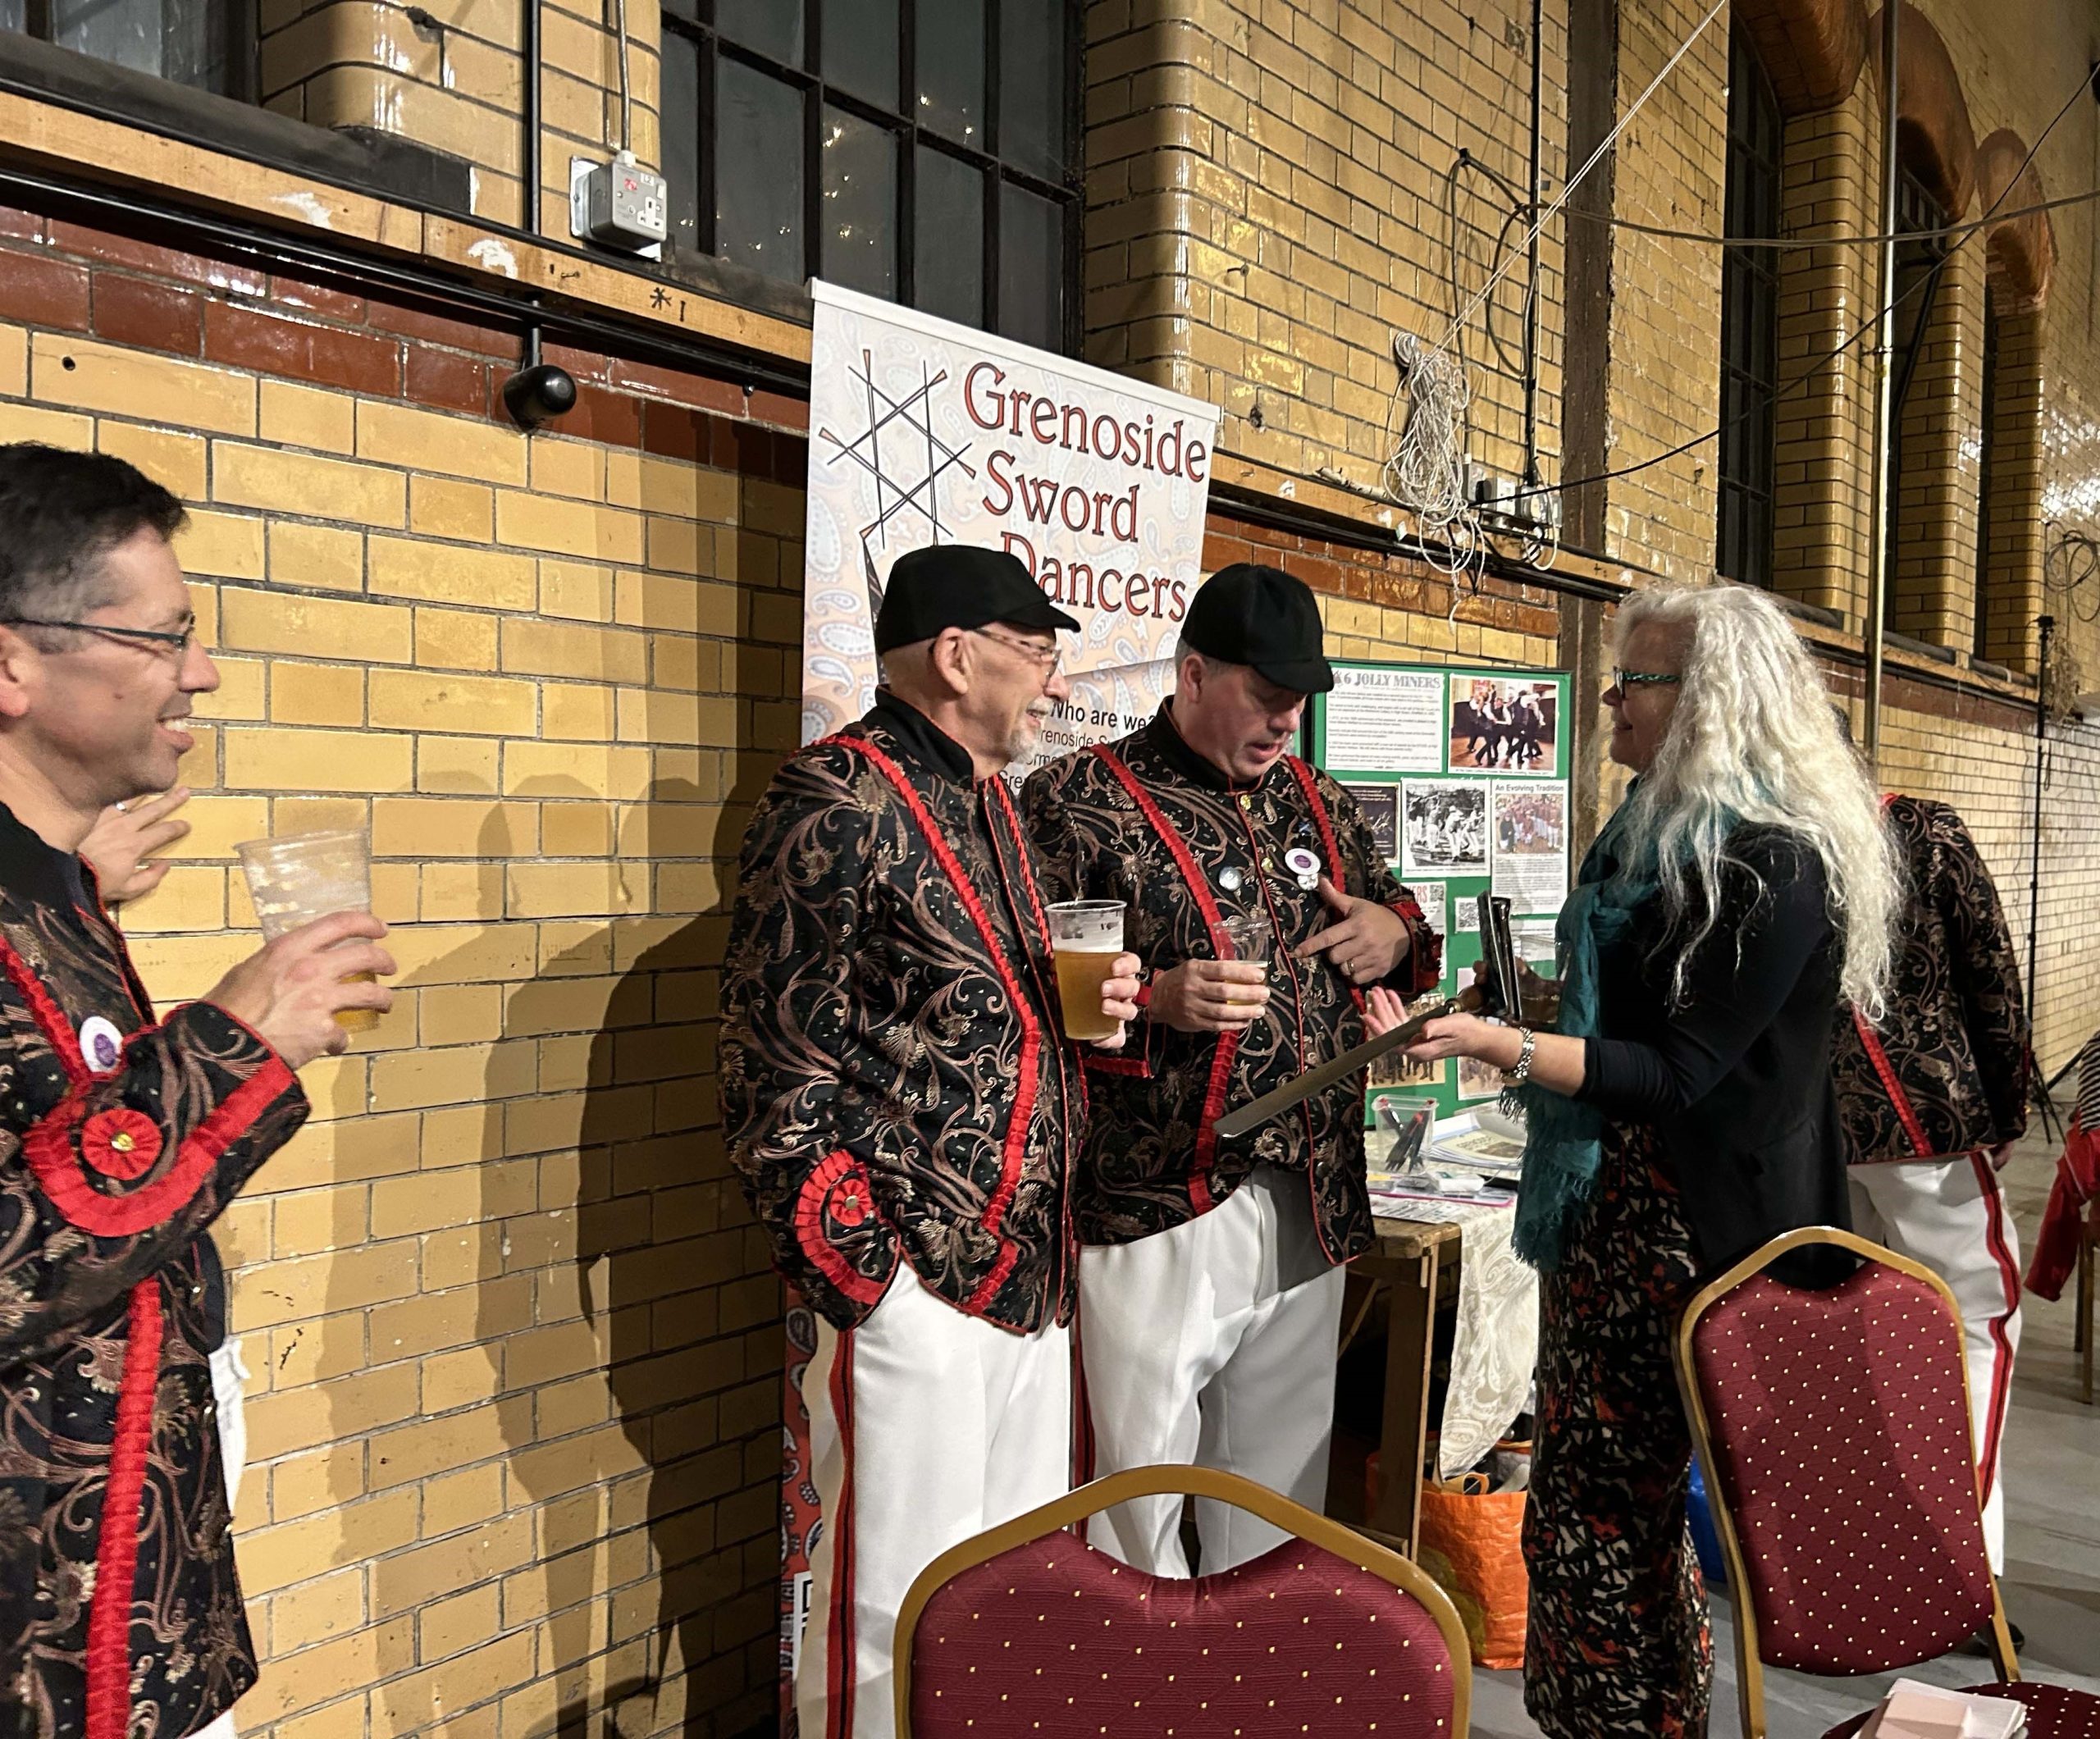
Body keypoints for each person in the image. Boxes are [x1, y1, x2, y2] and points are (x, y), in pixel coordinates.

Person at [1376, 581, 1898, 1738]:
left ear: (1709, 700)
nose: (1609, 700)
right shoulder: (1648, 837)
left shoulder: (1775, 866)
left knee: (1621, 1513)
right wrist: (1505, 1004)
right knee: (1584, 1505)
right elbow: (1628, 1020)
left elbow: (1673, 1073)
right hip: (1611, 1220)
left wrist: (1512, 1045)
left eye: (1636, 682)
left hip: (1698, 1240)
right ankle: (1598, 1719)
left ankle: (1638, 1722)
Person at [0, 443, 395, 1739]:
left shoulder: (50, 880)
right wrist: (234, 1043)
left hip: (125, 1598)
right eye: (166, 639)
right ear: (15, 662)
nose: (203, 674)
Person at [719, 544, 1139, 1739]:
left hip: (1027, 1275)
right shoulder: (832, 796)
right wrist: (870, 1281)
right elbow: (771, 1071)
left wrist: (1085, 1021)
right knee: (886, 1613)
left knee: (1003, 1602)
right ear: (958, 656)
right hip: (911, 1276)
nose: (1056, 688)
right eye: (1040, 655)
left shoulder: (993, 800)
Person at [1021, 563, 1442, 1576]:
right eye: (1266, 697)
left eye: (1298, 702)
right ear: (1195, 672)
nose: (1285, 722)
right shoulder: (1079, 799)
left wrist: (1393, 930)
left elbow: (1405, 923)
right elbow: (1029, 993)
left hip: (1310, 1185)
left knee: (1279, 1485)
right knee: (1142, 1487)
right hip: (1160, 1193)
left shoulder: (1318, 799)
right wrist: (1158, 994)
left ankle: (1252, 1698)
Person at [1830, 788, 2029, 1580]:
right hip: (1924, 1121)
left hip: (1810, 1129)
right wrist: (2007, 1106)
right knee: (1978, 1323)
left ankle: (1858, 1548)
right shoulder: (1920, 824)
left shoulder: (1755, 832)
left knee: (1849, 1334)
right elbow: (1990, 968)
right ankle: (1957, 1560)